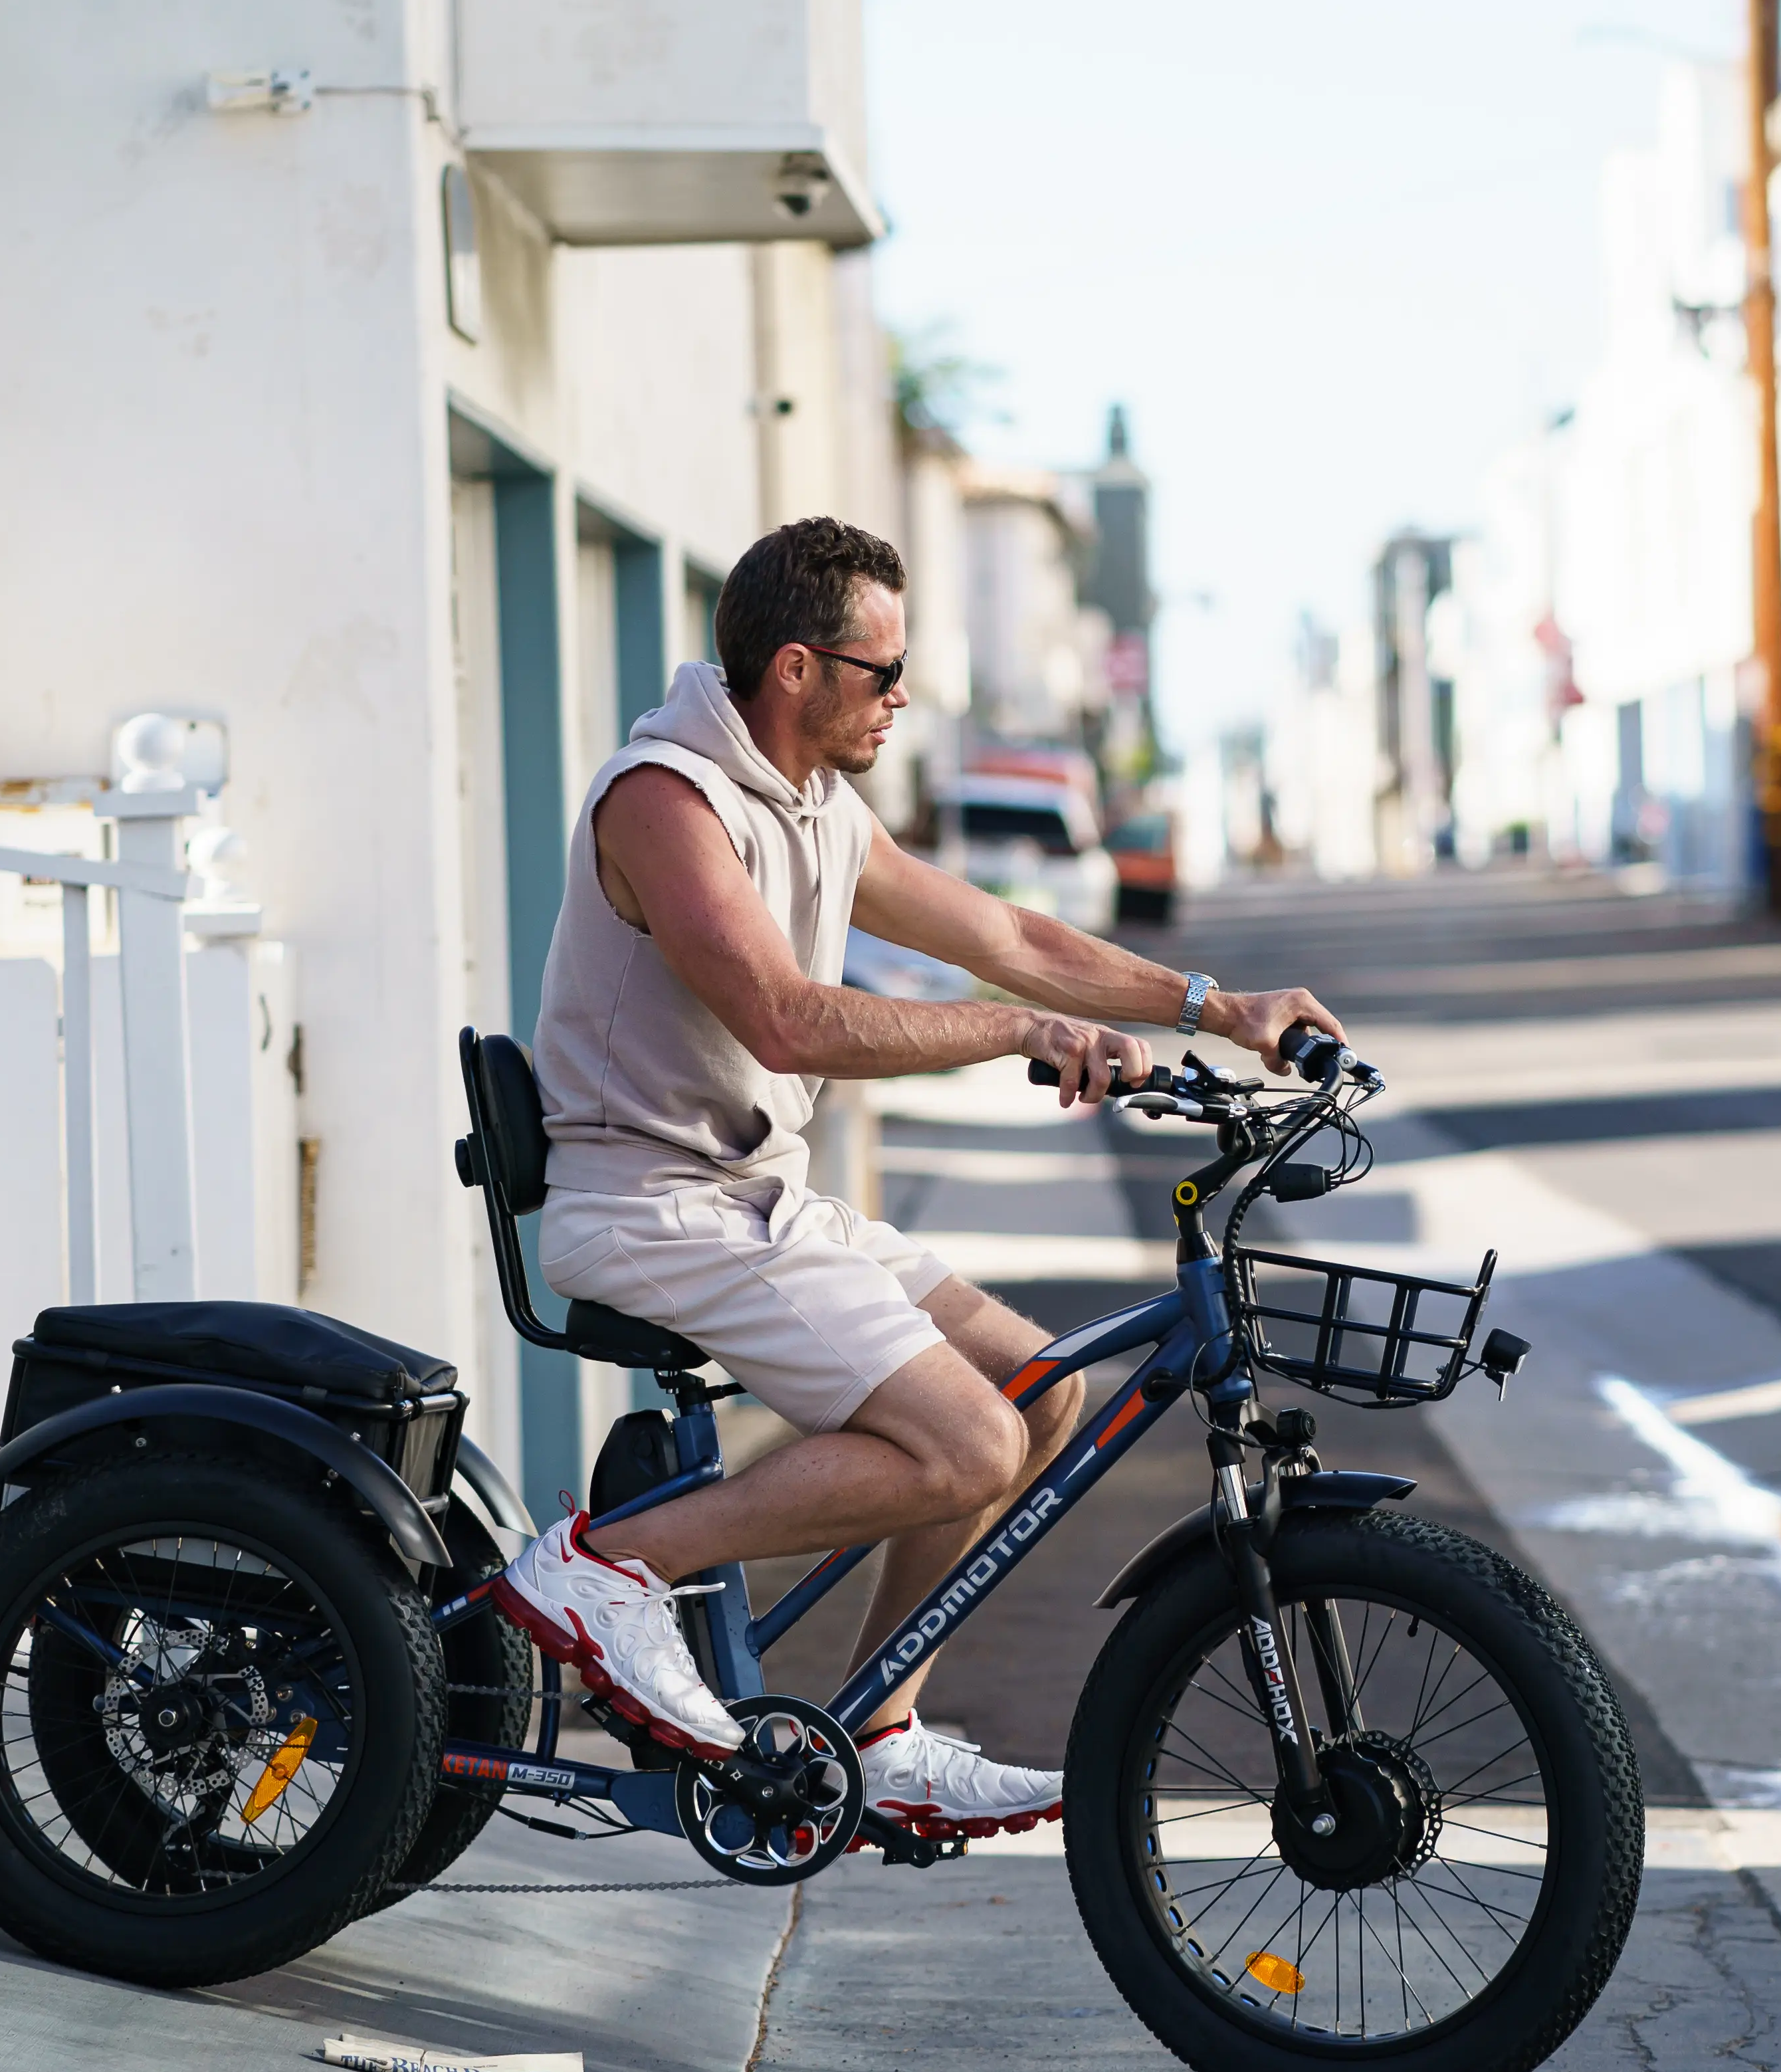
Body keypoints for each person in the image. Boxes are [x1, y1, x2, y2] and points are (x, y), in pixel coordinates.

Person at [493, 516, 1342, 1841]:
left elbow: (1002, 931)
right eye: (882, 672)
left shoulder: (819, 804)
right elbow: (789, 1018)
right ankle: (609, 1563)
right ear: (795, 669)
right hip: (649, 1208)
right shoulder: (665, 798)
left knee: (1039, 1393)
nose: (904, 697)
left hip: (757, 1198)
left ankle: (881, 1732)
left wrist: (1217, 1005)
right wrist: (1013, 1031)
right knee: (969, 1441)